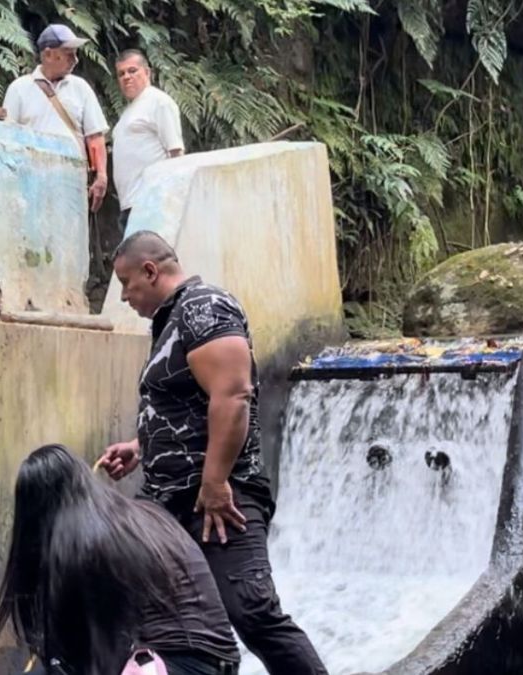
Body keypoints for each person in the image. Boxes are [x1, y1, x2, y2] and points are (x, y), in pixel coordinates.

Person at [99, 232, 327, 675]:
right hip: (169, 500)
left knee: (252, 612)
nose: (124, 296)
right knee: (134, 605)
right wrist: (140, 446)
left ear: (151, 271)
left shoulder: (203, 307)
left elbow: (234, 394)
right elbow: (188, 406)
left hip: (220, 498)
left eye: (126, 283)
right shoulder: (170, 320)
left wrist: (216, 480)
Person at [0, 444, 240, 675]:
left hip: (183, 663)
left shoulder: (84, 542)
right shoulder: (135, 515)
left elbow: (99, 652)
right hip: (220, 661)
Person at [2, 24, 110, 213]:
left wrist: (101, 175)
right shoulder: (19, 89)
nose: (75, 60)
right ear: (48, 54)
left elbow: (95, 136)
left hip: (72, 180)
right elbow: (7, 138)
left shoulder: (80, 88)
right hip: (31, 179)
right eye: (69, 54)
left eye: (76, 54)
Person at [111, 50, 184, 230]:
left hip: (152, 202)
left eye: (132, 71)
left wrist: (173, 199)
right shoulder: (130, 111)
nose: (127, 77)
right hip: (130, 203)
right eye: (121, 74)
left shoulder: (158, 102)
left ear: (147, 72)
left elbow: (175, 152)